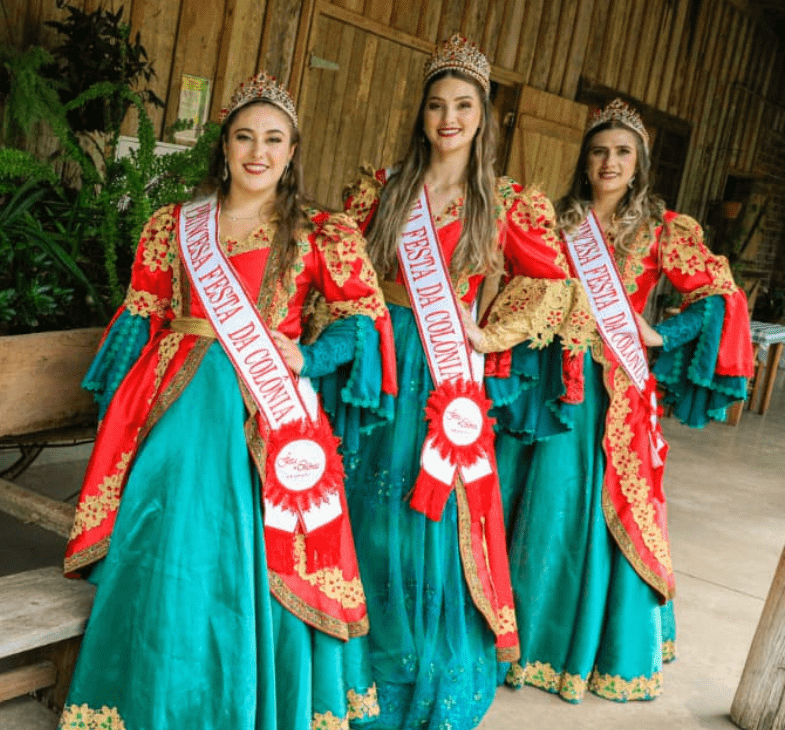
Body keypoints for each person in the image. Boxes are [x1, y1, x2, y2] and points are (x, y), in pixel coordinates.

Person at [59, 72, 396, 730]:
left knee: (258, 550)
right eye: (245, 136)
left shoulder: (320, 231)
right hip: (178, 406)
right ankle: (152, 700)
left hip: (266, 409)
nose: (258, 152)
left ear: (293, 151)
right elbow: (142, 317)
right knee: (172, 546)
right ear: (224, 147)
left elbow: (360, 319)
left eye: (274, 139)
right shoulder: (175, 224)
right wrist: (118, 421)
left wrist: (311, 355)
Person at [322, 35, 573, 730]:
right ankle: (351, 658)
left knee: (425, 515)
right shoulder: (385, 187)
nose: (448, 118)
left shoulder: (508, 203)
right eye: (436, 105)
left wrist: (488, 333)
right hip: (379, 362)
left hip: (444, 373)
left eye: (463, 105)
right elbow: (338, 264)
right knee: (365, 511)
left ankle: (415, 669)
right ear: (422, 115)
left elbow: (554, 283)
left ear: (484, 117)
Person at [492, 99, 754, 702]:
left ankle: (573, 647)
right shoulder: (553, 221)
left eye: (623, 153)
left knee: (582, 506)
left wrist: (662, 333)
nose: (610, 162)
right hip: (547, 375)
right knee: (526, 498)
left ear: (639, 165)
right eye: (599, 150)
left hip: (610, 390)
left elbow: (721, 294)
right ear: (584, 161)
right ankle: (511, 633)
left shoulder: (661, 230)